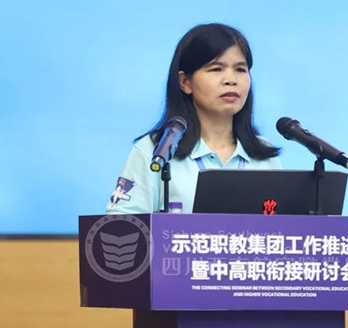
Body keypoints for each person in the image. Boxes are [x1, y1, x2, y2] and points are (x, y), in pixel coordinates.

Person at [106, 23, 281, 216]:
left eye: (240, 69)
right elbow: (121, 226)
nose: (231, 80)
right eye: (216, 69)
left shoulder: (264, 157)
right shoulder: (156, 151)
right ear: (185, 82)